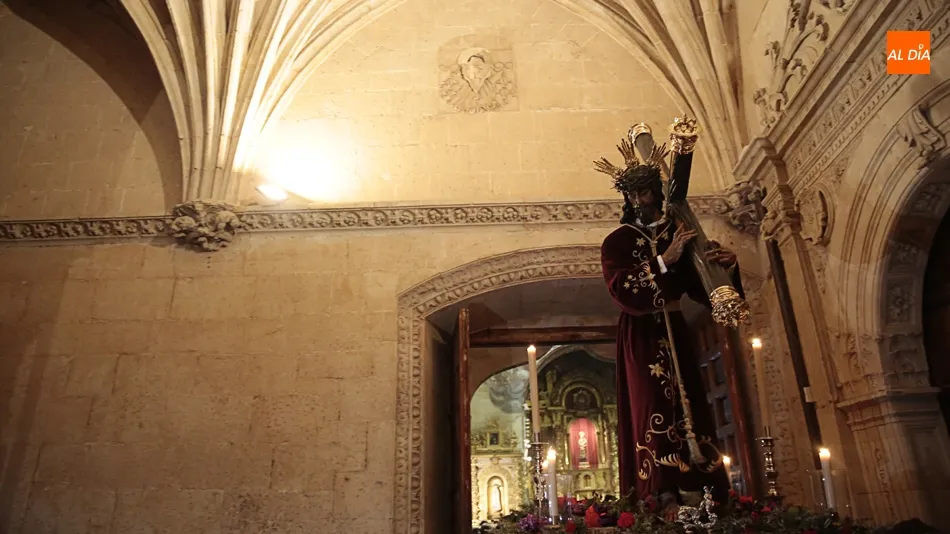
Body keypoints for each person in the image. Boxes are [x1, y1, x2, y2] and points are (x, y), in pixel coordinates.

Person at [599, 147, 742, 518]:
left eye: (646, 191)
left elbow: (704, 290)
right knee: (652, 407)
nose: (640, 200)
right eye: (633, 194)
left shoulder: (677, 230)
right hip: (642, 334)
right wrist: (664, 260)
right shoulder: (617, 242)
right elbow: (622, 290)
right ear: (626, 198)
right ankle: (660, 497)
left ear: (658, 192)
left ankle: (706, 491)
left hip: (676, 328)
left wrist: (727, 268)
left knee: (692, 404)